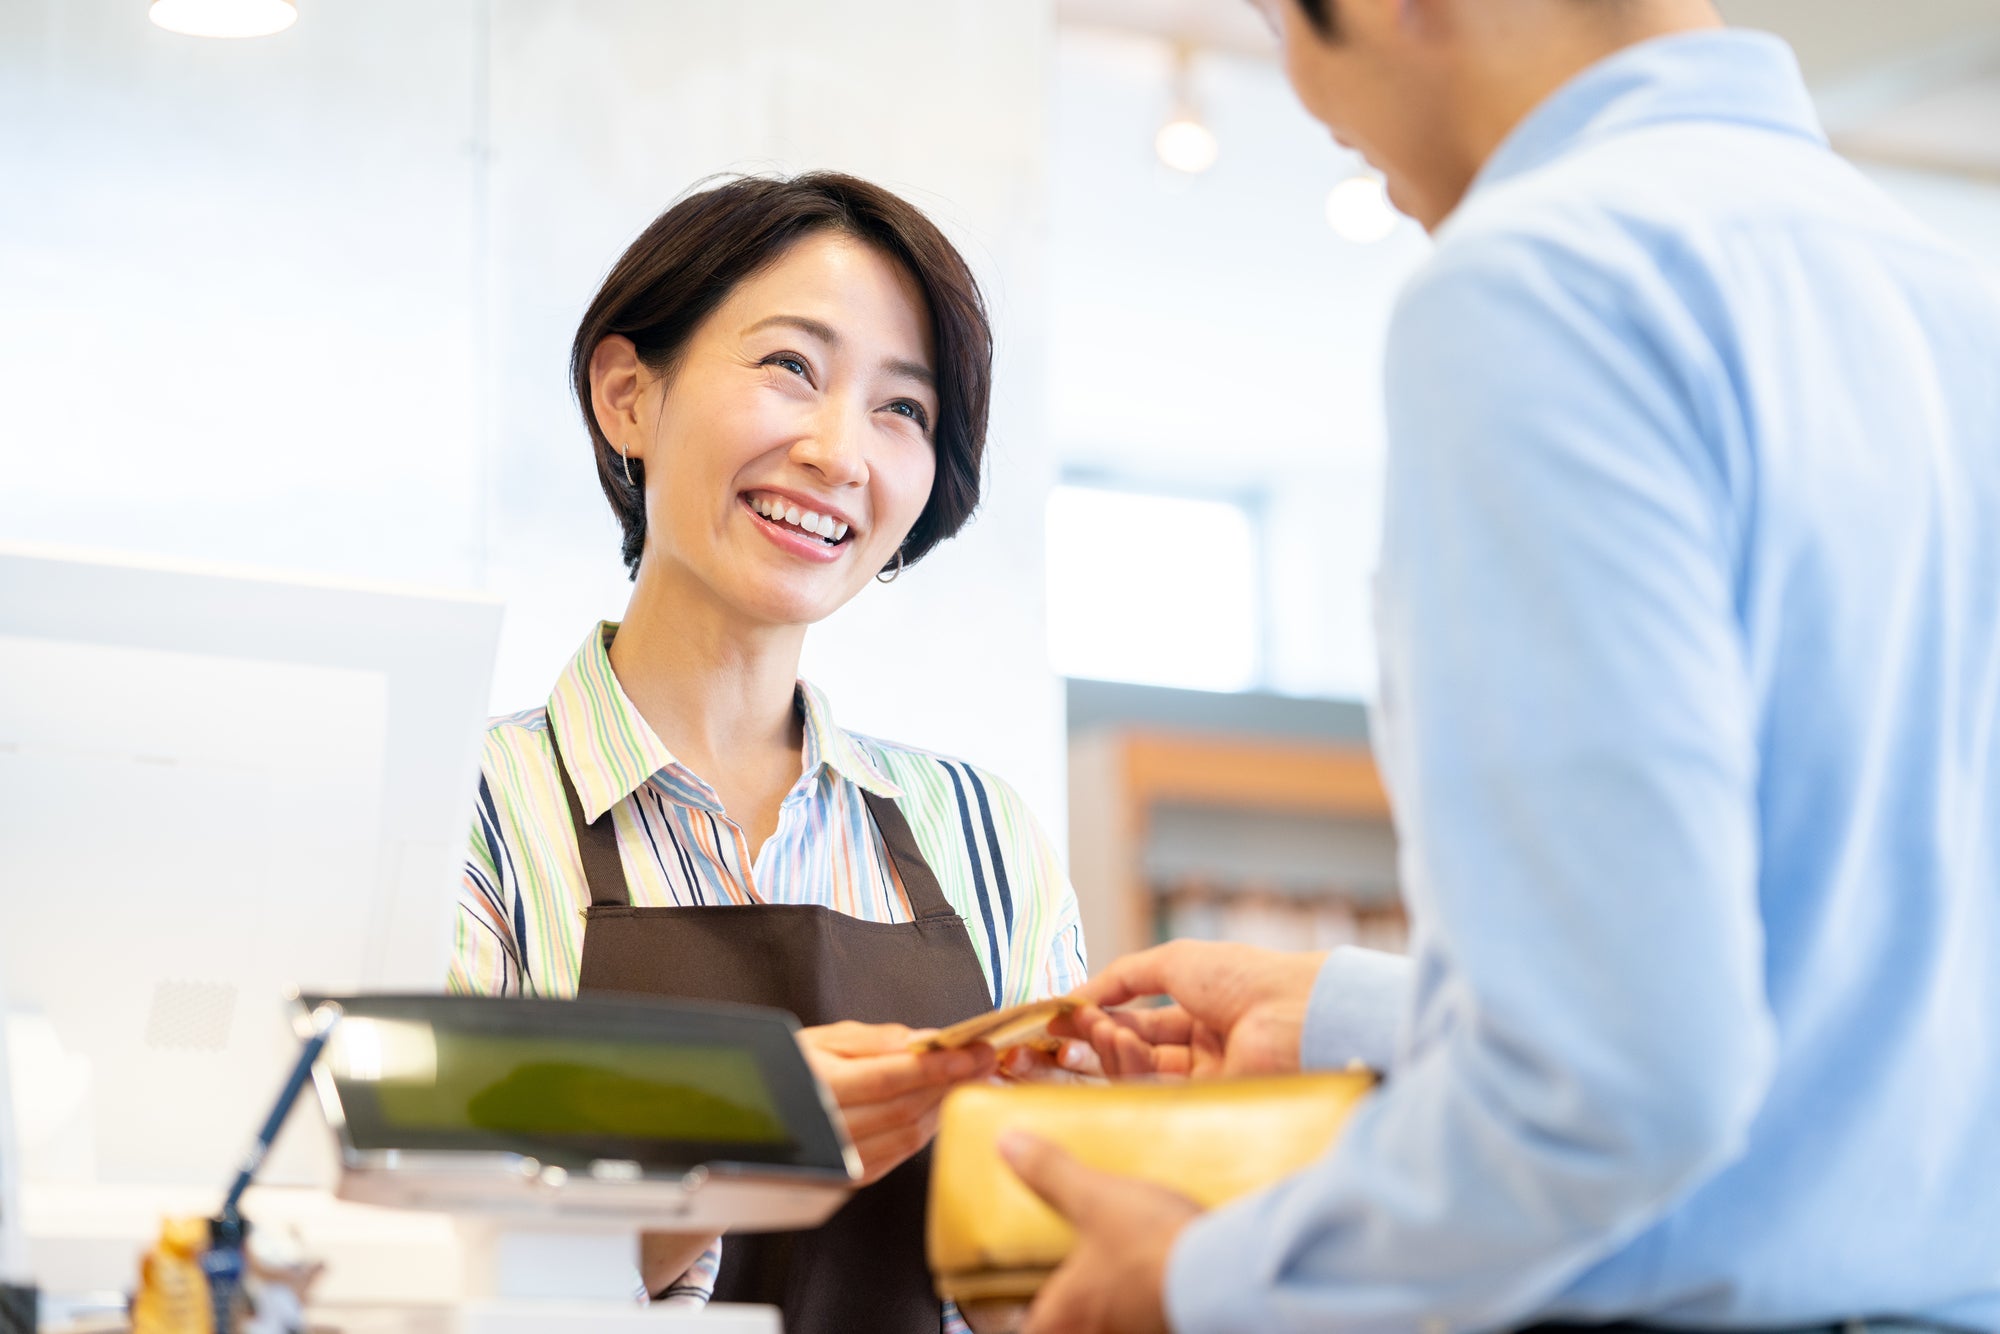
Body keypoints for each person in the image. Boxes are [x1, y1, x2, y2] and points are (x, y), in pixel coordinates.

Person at [1011, 0, 2000, 1331]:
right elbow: (1834, 1007)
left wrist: (1200, 1282)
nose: (1305, 91)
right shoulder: (1947, 298)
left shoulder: (1543, 284)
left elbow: (1615, 1086)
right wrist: (1350, 1007)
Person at [446, 172, 1089, 1334]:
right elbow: (412, 1273)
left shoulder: (983, 836)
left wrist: (1085, 1194)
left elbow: (1038, 1296)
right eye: (791, 365)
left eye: (903, 409)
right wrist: (732, 1155)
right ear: (627, 395)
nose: (839, 451)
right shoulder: (465, 815)